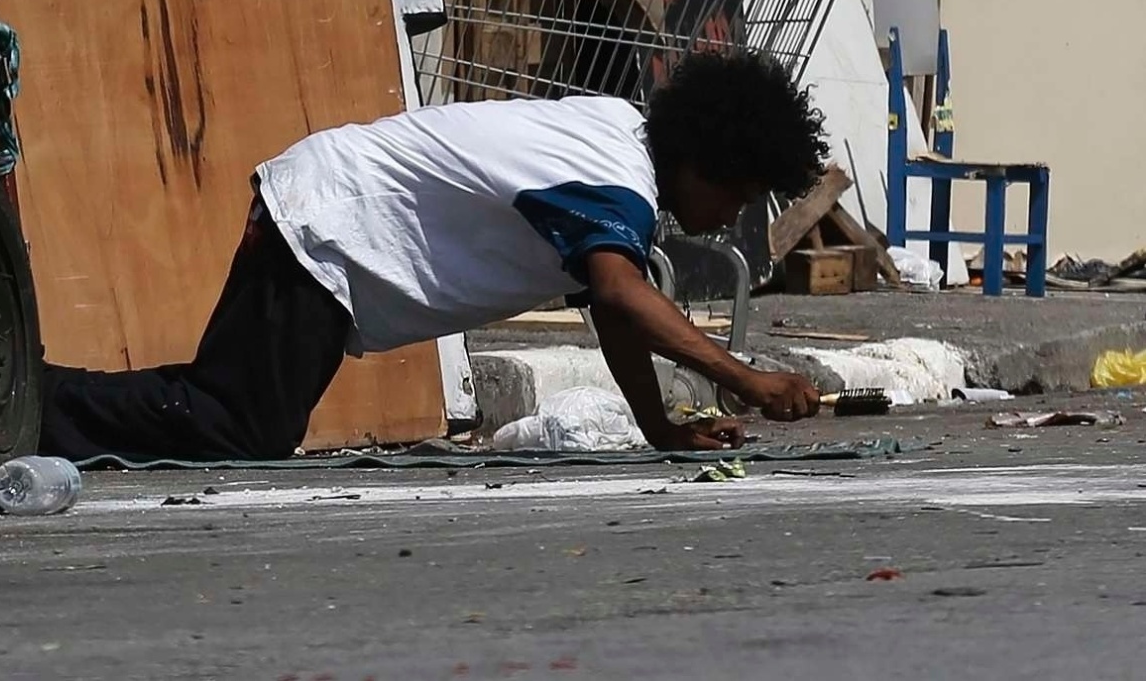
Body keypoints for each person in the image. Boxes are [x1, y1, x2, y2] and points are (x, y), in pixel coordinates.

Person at [40, 49, 828, 462]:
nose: (727, 217)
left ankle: (33, 409)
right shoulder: (617, 178)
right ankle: (30, 407)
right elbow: (622, 296)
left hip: (329, 225)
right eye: (738, 194)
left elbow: (612, 316)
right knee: (240, 423)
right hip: (330, 228)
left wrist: (658, 426)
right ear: (707, 159)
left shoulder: (615, 145)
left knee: (243, 417)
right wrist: (747, 377)